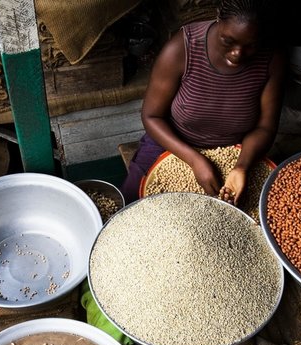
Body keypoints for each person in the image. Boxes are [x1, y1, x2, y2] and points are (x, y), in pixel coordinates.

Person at [121, 0, 286, 205]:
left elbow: (265, 127)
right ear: (218, 18)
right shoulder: (183, 47)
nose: (237, 54)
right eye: (228, 40)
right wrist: (194, 160)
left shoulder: (272, 60)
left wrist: (241, 167)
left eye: (251, 46)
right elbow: (151, 116)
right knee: (130, 205)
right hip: (172, 142)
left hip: (236, 152)